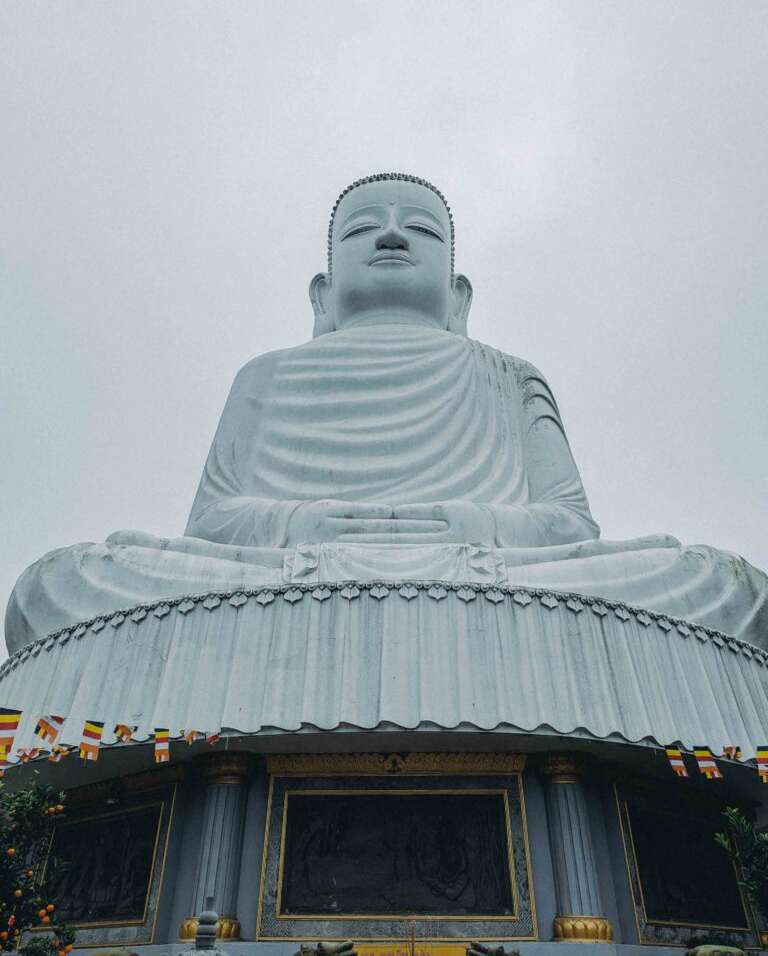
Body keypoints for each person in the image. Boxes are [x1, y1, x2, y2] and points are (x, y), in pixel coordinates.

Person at [6, 174, 767, 653]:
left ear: (459, 294)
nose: (395, 234)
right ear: (323, 293)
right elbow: (213, 524)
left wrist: (458, 526)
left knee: (716, 582)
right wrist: (307, 527)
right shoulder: (267, 374)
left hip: (489, 571)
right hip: (294, 571)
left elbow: (570, 526)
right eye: (365, 230)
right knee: (63, 582)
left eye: (421, 229)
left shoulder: (507, 374)